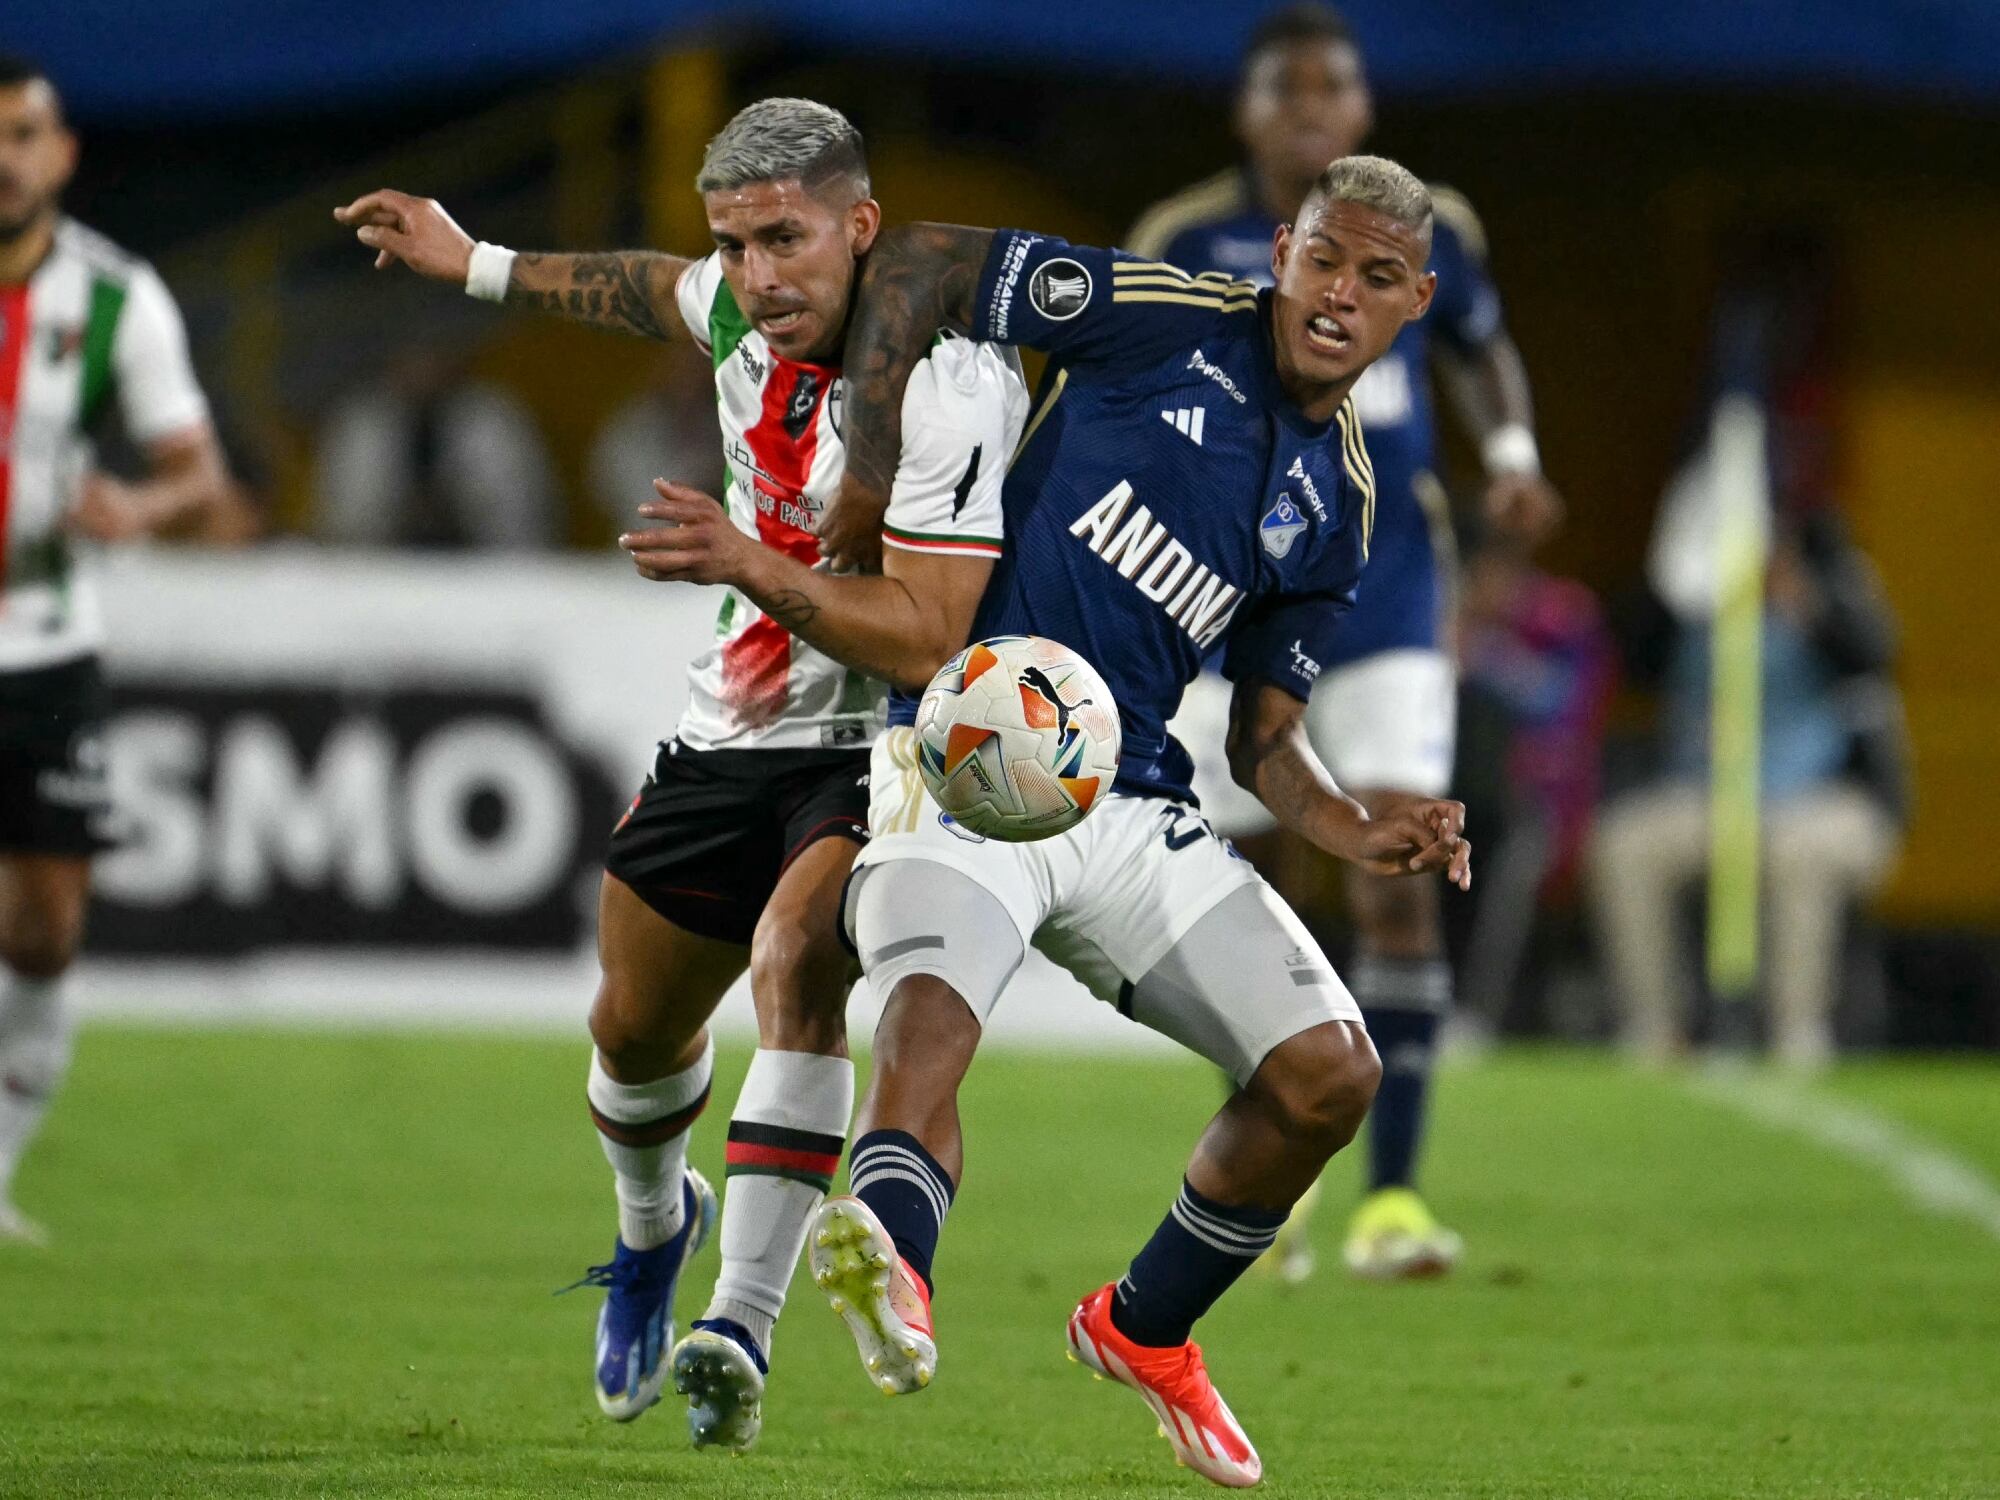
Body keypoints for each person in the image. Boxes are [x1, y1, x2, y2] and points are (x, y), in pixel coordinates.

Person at [335, 97, 1025, 1451]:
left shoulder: (952, 381)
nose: (760, 272)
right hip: (729, 734)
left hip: (875, 744)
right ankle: (655, 1234)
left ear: (863, 228)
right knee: (632, 1035)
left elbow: (932, 630)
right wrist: (472, 260)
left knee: (796, 965)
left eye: (787, 238)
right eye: (738, 240)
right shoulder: (730, 306)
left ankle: (739, 1324)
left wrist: (751, 562)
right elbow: (653, 288)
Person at [798, 157, 1471, 1488]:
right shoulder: (1162, 310)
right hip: (971, 746)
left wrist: (1353, 828)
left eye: (1377, 277)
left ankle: (1143, 1329)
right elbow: (924, 259)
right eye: (1324, 258)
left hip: (1135, 798)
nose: (1340, 294)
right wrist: (866, 487)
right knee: (932, 1006)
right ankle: (894, 1261)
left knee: (1329, 1073)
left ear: (1417, 301)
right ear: (1284, 250)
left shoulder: (1336, 502)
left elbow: (1265, 742)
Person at [1132, 0, 1562, 1281]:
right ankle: (1269, 1174)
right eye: (1286, 88)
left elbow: (1482, 352)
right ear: (1247, 112)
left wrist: (1511, 457)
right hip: (1222, 606)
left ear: (1363, 110)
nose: (1312, 106)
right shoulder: (1182, 241)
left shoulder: (1436, 232)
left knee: (1392, 873)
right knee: (1234, 888)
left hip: (1382, 594)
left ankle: (1389, 1199)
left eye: (1334, 86)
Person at [0, 56, 236, 1246]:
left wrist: (136, 512)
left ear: (61, 153)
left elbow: (201, 477)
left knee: (44, 926)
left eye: (22, 133)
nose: (5, 156)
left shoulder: (111, 297)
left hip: (42, 645)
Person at [1589, 510, 1906, 1069]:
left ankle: (1797, 1033)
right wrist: (1674, 588)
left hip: (1821, 800)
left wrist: (1806, 600)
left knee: (1797, 854)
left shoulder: (1833, 584)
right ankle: (1653, 1031)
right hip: (1708, 799)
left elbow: (1876, 651)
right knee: (1625, 845)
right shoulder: (1694, 601)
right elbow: (1629, 646)